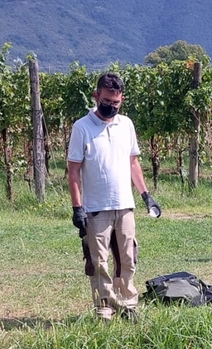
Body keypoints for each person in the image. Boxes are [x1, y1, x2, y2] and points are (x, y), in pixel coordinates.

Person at [67, 72, 161, 322]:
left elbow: (133, 163)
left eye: (116, 102)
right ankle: (104, 308)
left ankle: (129, 305)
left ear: (122, 100)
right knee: (98, 261)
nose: (111, 106)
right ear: (96, 96)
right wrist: (78, 207)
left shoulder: (126, 125)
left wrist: (146, 196)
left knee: (128, 258)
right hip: (96, 208)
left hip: (125, 206)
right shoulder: (82, 127)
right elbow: (73, 170)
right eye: (106, 101)